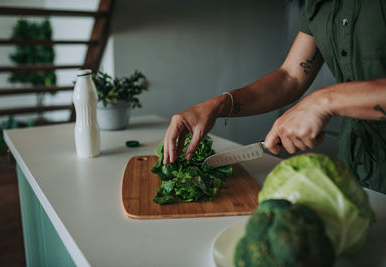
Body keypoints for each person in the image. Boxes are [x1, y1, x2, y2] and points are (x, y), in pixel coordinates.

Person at [162, 0, 386, 194]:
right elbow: (290, 78)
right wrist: (217, 105)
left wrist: (323, 101)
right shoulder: (318, 4)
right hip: (358, 168)